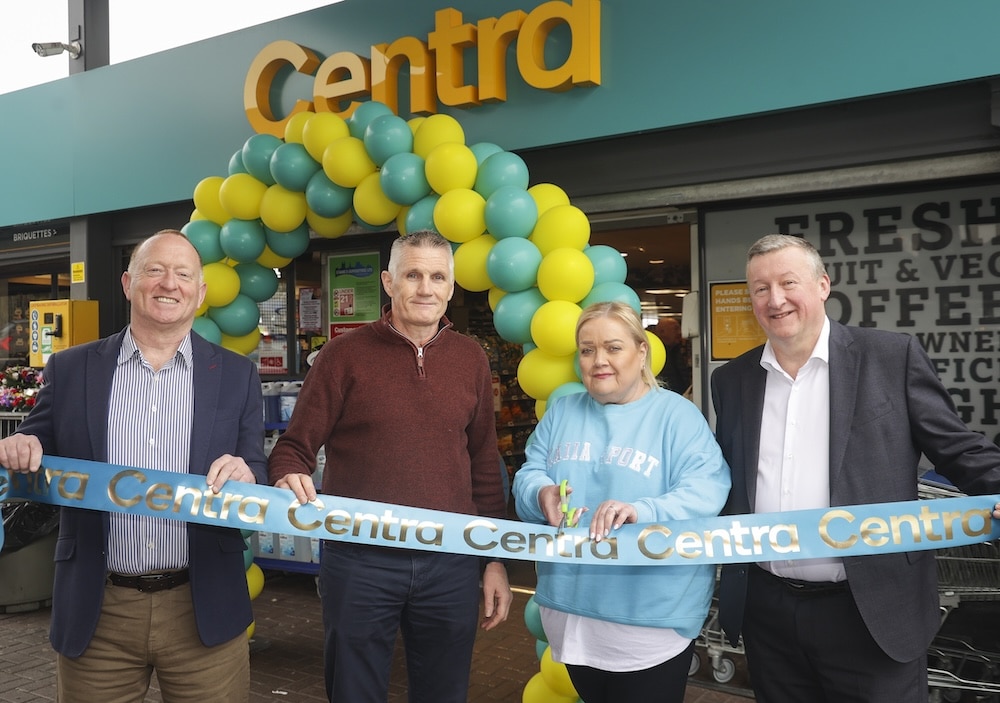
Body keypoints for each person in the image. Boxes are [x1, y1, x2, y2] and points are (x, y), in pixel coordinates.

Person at [711, 233, 1000, 703]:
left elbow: (957, 447)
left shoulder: (890, 356)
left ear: (823, 285)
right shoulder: (732, 379)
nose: (775, 299)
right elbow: (722, 477)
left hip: (871, 608)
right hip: (770, 611)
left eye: (788, 282)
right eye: (760, 289)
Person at [0, 229, 266, 702]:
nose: (170, 283)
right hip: (97, 607)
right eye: (155, 270)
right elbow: (36, 436)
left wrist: (247, 474)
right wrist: (22, 444)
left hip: (203, 603)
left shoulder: (236, 375)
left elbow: (256, 470)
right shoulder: (70, 368)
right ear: (128, 283)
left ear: (201, 293)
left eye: (183, 274)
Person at [268, 229, 512, 703]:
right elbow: (294, 446)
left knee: (444, 691)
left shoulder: (471, 359)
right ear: (388, 282)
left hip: (451, 559)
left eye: (437, 276)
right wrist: (285, 472)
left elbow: (484, 460)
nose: (425, 288)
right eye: (413, 275)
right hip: (360, 559)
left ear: (452, 286)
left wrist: (494, 558)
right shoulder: (343, 356)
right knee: (354, 690)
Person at [513, 301, 731, 703]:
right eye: (587, 349)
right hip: (570, 610)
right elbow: (530, 471)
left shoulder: (677, 417)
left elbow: (707, 490)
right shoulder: (563, 411)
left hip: (648, 622)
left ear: (641, 350)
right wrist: (539, 493)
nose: (599, 361)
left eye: (613, 347)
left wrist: (643, 511)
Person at [653, 316, 691, 393]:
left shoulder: (682, 349)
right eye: (675, 329)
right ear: (662, 332)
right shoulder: (654, 353)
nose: (679, 332)